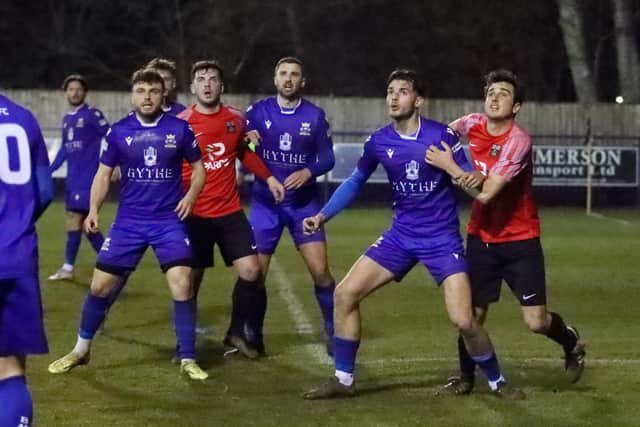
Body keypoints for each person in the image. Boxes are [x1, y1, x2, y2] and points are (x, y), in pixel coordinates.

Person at [302, 69, 523, 400]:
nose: (393, 97)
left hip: (441, 241)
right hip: (400, 237)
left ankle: (497, 382)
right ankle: (343, 379)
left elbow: (474, 181)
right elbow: (354, 182)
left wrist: (455, 167)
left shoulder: (442, 137)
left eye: (402, 91)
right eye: (390, 91)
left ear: (418, 100)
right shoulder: (378, 141)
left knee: (464, 320)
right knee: (345, 294)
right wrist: (322, 215)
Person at [425, 69, 586, 395]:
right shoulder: (471, 123)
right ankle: (466, 377)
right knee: (471, 316)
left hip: (520, 241)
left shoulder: (518, 141)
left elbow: (486, 194)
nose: (495, 97)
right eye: (490, 92)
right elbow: (436, 138)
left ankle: (570, 340)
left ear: (516, 107)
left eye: (504, 93)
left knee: (536, 322)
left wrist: (452, 167)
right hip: (481, 238)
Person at [47, 68, 208, 380]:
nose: (146, 97)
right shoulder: (119, 132)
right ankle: (81, 350)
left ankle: (188, 357)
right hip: (129, 222)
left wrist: (190, 196)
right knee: (99, 286)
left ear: (164, 96)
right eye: (141, 91)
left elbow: (199, 169)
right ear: (133, 96)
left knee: (182, 284)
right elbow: (104, 174)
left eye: (153, 91)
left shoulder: (180, 129)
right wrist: (93, 209)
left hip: (167, 222)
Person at [177, 60, 284, 358]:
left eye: (213, 78)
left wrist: (270, 177)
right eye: (201, 78)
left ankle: (235, 332)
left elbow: (242, 153)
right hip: (194, 214)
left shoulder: (236, 119)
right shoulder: (182, 122)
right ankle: (184, 344)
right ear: (193, 87)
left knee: (251, 270)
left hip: (228, 211)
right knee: (189, 280)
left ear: (221, 86)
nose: (207, 83)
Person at [244, 57, 336, 355]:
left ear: (302, 81)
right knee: (255, 275)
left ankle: (334, 331)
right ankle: (253, 336)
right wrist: (243, 138)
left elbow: (328, 158)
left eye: (294, 74)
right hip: (265, 206)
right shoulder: (257, 112)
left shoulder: (315, 116)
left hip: (303, 206)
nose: (288, 79)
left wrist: (308, 171)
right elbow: (238, 144)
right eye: (283, 73)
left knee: (321, 272)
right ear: (275, 79)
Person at [0, 93, 54, 425]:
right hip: (16, 256)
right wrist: (14, 223)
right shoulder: (22, 117)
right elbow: (45, 191)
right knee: (10, 369)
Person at [48, 74, 110, 281]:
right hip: (73, 180)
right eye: (71, 89)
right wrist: (48, 170)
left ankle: (69, 268)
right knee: (85, 225)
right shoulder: (67, 119)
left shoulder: (92, 115)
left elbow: (111, 136)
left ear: (84, 92)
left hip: (88, 179)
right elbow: (64, 151)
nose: (74, 92)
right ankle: (111, 263)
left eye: (78, 89)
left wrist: (112, 164)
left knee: (76, 220)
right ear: (65, 93)